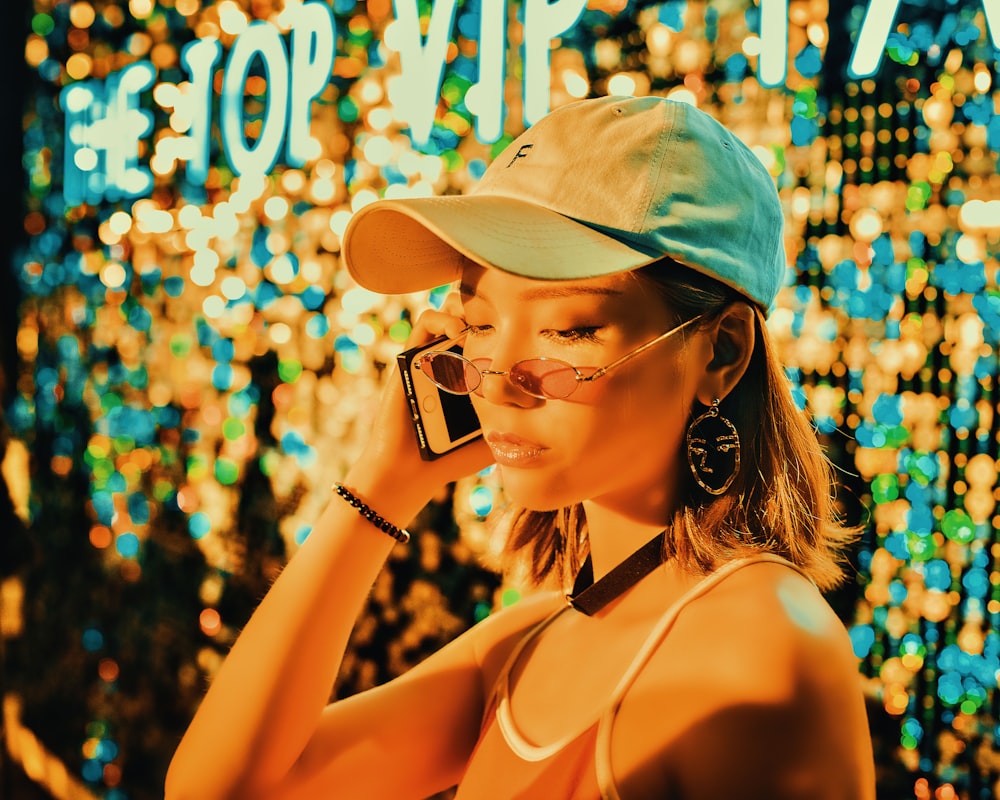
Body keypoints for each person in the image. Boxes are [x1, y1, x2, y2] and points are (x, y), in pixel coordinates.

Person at [165, 95, 876, 799]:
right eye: (476, 324)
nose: (500, 385)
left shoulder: (763, 656)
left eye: (568, 330)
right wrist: (385, 482)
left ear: (721, 351)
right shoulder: (524, 646)